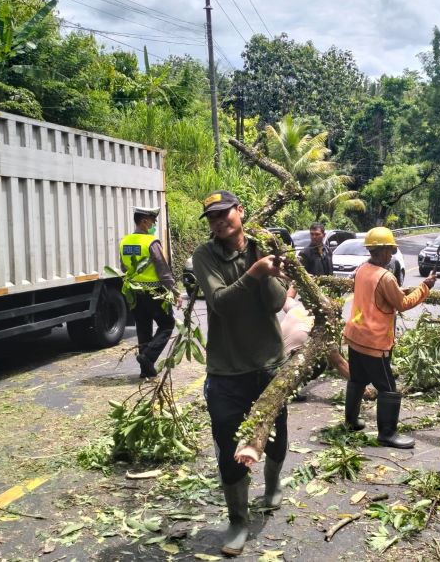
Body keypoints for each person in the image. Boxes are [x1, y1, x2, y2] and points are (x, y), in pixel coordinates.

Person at [192, 190, 289, 557]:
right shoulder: (204, 256)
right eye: (212, 217)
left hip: (269, 364)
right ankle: (237, 520)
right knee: (229, 450)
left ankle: (273, 484)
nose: (219, 221)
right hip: (226, 371)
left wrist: (266, 270)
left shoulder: (263, 246)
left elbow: (277, 302)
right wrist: (256, 271)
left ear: (240, 212)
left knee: (275, 436)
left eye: (224, 213)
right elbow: (219, 303)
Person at [343, 227, 436, 449]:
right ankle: (387, 434)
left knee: (357, 380)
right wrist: (425, 286)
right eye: (390, 251)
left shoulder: (362, 269)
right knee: (388, 389)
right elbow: (402, 304)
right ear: (383, 250)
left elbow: (379, 296)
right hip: (374, 342)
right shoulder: (385, 277)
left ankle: (351, 421)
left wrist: (399, 290)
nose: (392, 255)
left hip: (355, 335)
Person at [281, 286, 377, 400]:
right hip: (285, 369)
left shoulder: (297, 308)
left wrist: (295, 283)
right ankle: (289, 389)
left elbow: (288, 297)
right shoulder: (320, 332)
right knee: (321, 363)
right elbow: (339, 363)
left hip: (274, 360)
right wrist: (363, 389)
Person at [119, 206, 182, 378]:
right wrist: (174, 291)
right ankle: (147, 357)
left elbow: (123, 267)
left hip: (134, 292)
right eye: (153, 221)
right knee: (167, 324)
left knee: (143, 328)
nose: (154, 224)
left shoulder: (124, 241)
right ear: (144, 221)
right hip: (155, 291)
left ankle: (145, 371)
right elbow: (162, 269)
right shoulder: (151, 242)